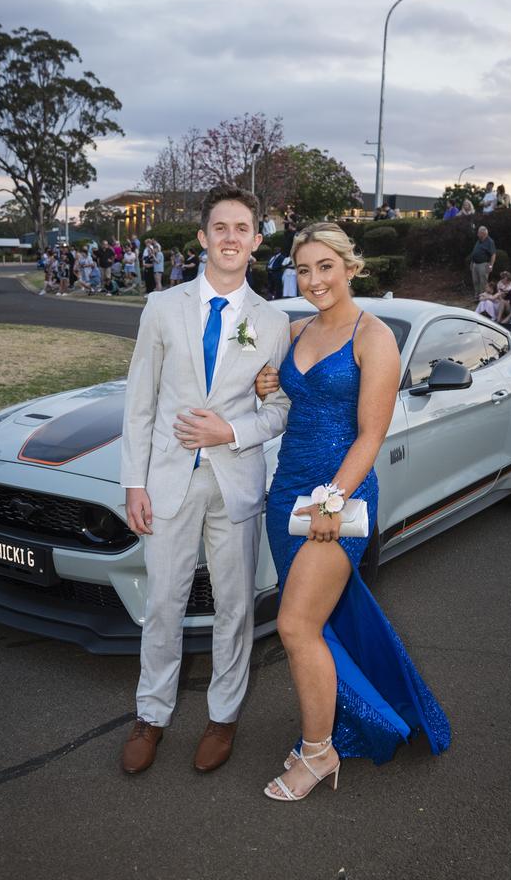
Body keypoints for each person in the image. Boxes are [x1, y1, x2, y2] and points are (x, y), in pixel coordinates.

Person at [255, 222, 450, 802]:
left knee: (294, 625)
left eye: (325, 267)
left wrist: (331, 500)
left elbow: (370, 435)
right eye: (304, 269)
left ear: (350, 267)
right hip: (286, 491)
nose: (314, 280)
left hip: (340, 496)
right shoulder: (296, 330)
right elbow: (288, 395)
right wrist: (270, 381)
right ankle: (351, 716)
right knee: (317, 622)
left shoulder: (374, 338)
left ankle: (318, 753)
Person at [119, 183, 291, 776]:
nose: (231, 238)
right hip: (167, 481)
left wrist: (231, 433)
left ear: (256, 242)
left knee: (235, 606)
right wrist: (133, 483)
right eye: (221, 228)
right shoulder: (161, 308)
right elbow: (139, 403)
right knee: (162, 603)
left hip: (235, 483)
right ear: (202, 237)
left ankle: (223, 715)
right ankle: (152, 714)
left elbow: (279, 410)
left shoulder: (272, 323)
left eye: (242, 229)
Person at [469, 226, 496, 299]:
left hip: (483, 264)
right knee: (475, 281)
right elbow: (475, 252)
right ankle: (477, 296)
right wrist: (472, 262)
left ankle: (483, 297)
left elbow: (493, 254)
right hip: (475, 263)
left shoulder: (490, 242)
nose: (477, 234)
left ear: (483, 234)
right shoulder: (479, 241)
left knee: (483, 281)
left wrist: (491, 266)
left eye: (479, 233)